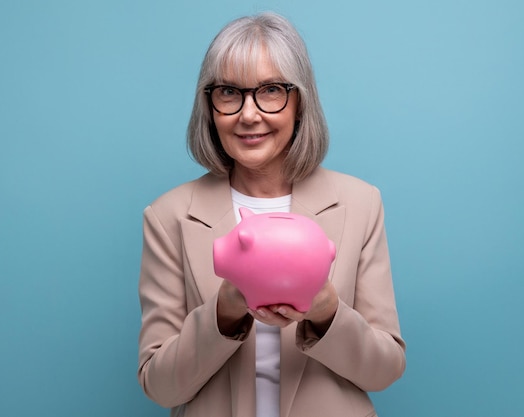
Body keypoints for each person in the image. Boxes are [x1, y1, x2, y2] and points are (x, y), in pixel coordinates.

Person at [137, 12, 406, 417]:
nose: (248, 114)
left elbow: (385, 371)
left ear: (300, 103)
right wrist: (223, 312)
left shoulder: (361, 204)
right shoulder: (169, 216)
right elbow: (160, 387)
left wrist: (327, 311)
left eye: (271, 90)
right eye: (229, 92)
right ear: (209, 105)